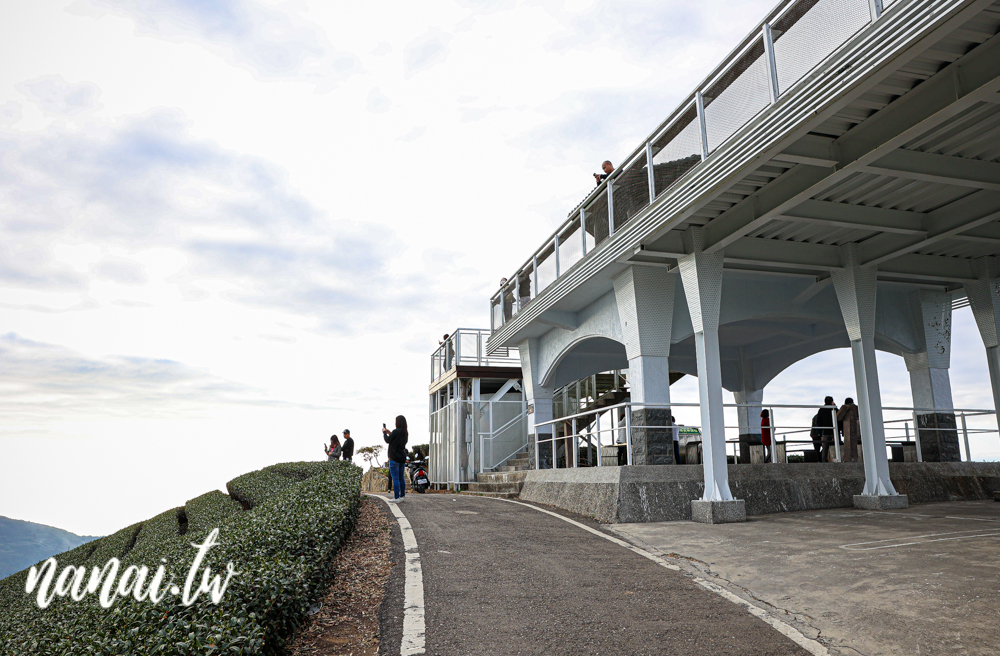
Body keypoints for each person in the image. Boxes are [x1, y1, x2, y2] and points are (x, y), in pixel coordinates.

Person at [383, 416, 409, 503]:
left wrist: (384, 433)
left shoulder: (396, 431)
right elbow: (396, 439)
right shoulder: (405, 433)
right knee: (401, 477)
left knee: (395, 478)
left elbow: (387, 440)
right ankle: (402, 496)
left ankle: (396, 497)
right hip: (402, 457)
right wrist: (390, 432)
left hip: (393, 458)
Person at [838, 398, 861, 462]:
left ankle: (847, 458)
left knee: (848, 442)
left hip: (847, 427)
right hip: (855, 427)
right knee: (854, 442)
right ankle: (855, 458)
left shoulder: (845, 408)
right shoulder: (856, 408)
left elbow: (838, 417)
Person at [815, 397, 837, 462]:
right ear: (831, 402)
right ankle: (837, 458)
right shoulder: (834, 409)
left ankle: (824, 460)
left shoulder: (821, 410)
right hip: (834, 431)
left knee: (825, 447)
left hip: (825, 431)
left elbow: (818, 421)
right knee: (836, 445)